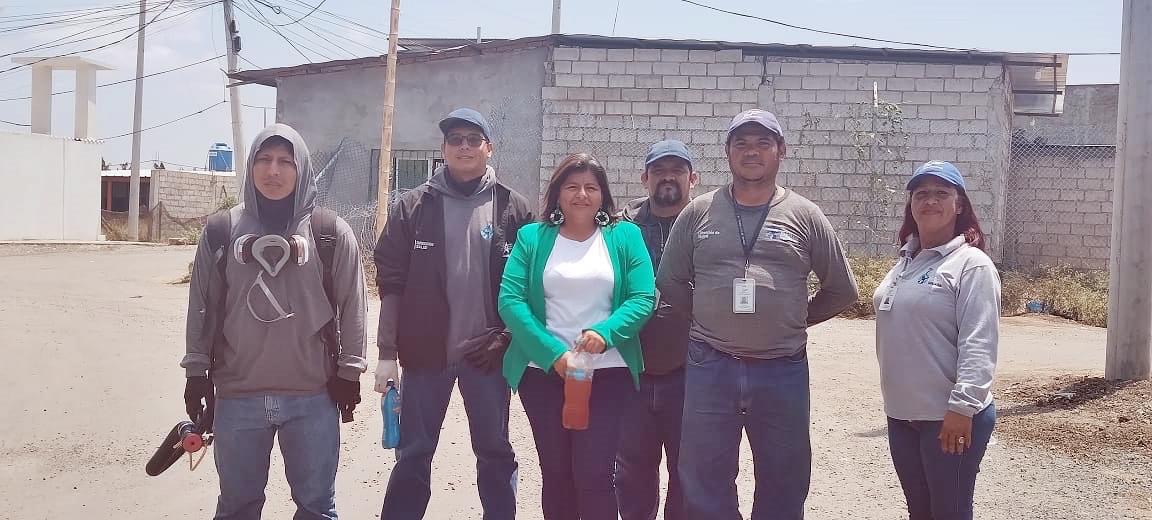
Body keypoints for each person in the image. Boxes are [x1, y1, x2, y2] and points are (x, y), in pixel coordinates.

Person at [657, 109, 859, 519]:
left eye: (763, 143)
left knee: (784, 477)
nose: (752, 152)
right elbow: (670, 279)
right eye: (742, 144)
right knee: (705, 476)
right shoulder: (699, 212)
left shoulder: (805, 215)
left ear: (781, 150)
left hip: (782, 368)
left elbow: (842, 288)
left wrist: (794, 318)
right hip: (711, 365)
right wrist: (705, 316)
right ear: (727, 152)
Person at [181, 124, 368, 520]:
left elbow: (354, 305)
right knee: (237, 508)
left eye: (286, 161)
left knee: (316, 508)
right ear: (250, 166)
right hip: (238, 397)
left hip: (313, 397)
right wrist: (196, 371)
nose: (273, 171)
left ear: (302, 169)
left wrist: (350, 371)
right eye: (264, 160)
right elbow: (201, 305)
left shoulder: (330, 233)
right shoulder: (221, 232)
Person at [374, 108, 533, 519]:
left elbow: (530, 287)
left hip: (488, 357)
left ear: (488, 148)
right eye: (455, 139)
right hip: (426, 355)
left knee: (495, 451)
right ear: (443, 149)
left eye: (473, 139)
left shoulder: (512, 208)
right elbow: (391, 283)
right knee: (414, 452)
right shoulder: (413, 207)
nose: (464, 146)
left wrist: (506, 338)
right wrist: (387, 353)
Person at [498, 153, 655, 520]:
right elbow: (510, 300)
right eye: (571, 186)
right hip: (542, 373)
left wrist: (605, 333)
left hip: (607, 373)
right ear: (557, 193)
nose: (581, 194)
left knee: (595, 474)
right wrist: (554, 354)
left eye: (590, 187)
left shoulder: (625, 236)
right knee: (556, 475)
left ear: (603, 195)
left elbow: (643, 296)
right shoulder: (532, 238)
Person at [873, 161, 999, 520]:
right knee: (920, 512)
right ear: (911, 204)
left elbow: (979, 341)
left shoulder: (971, 265)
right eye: (921, 194)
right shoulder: (905, 261)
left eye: (941, 193)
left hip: (948, 417)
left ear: (959, 205)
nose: (930, 201)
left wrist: (962, 408)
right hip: (902, 415)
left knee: (949, 512)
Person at [615, 140, 699, 520]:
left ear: (692, 178)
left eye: (677, 170)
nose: (668, 177)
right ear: (644, 178)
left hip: (691, 372)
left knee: (688, 471)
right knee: (631, 473)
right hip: (631, 371)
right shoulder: (621, 228)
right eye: (659, 170)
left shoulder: (707, 224)